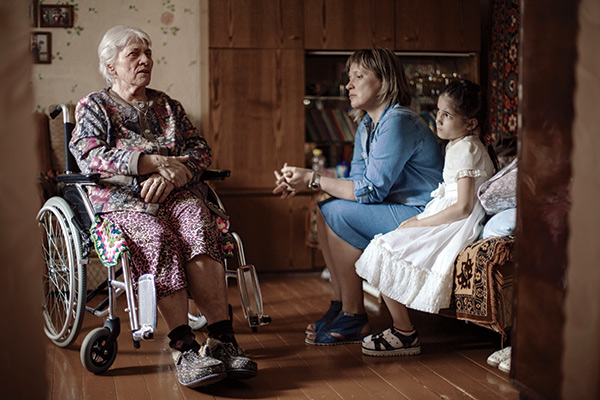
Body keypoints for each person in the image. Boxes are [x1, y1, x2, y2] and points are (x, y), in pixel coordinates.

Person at [69, 25, 256, 388]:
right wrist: (153, 162)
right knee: (156, 239)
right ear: (111, 66)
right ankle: (184, 347)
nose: (145, 60)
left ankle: (222, 340)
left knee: (199, 227)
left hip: (178, 192)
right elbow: (89, 155)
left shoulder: (168, 106)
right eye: (134, 54)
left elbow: (200, 151)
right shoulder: (95, 106)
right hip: (124, 201)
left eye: (148, 53)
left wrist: (174, 176)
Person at [273, 48, 444, 345]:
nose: (348, 85)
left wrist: (313, 178)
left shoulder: (398, 121)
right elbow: (356, 182)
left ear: (384, 81)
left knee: (337, 211)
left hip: (424, 213)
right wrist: (309, 185)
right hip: (398, 207)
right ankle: (341, 304)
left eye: (358, 76)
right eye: (348, 78)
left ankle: (354, 315)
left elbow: (370, 191)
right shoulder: (367, 124)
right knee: (325, 205)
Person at [355, 79, 496, 357]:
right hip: (447, 212)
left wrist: (419, 222)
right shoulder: (458, 145)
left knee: (385, 249)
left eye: (447, 115)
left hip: (456, 221)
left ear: (470, 124)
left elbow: (464, 207)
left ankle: (405, 333)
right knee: (385, 247)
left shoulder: (468, 148)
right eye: (438, 111)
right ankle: (402, 330)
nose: (438, 120)